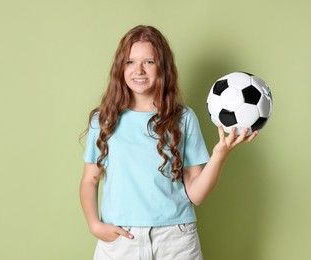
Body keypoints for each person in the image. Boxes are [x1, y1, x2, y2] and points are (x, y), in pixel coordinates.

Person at [79, 25, 258, 260]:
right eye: (130, 62)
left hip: (176, 240)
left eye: (149, 62)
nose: (139, 70)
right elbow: (89, 180)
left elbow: (196, 194)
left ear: (162, 67)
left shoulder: (183, 118)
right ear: (120, 68)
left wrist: (219, 155)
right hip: (121, 239)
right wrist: (95, 225)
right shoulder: (104, 120)